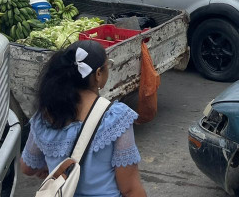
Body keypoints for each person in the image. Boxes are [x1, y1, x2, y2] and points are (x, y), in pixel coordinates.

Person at [21, 41, 147, 197]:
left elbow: (27, 167)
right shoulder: (115, 118)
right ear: (98, 74)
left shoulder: (46, 114)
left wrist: (56, 167)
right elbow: (129, 188)